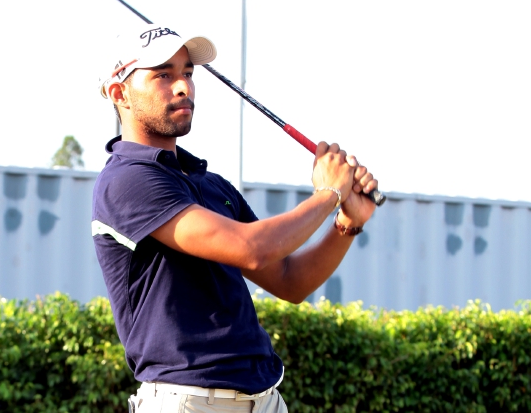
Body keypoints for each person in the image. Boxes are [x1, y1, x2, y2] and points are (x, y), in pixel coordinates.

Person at [91, 24, 378, 413]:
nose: (183, 87)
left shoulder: (212, 185)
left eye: (188, 74)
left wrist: (347, 223)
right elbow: (251, 249)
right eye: (163, 74)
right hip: (187, 402)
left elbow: (290, 280)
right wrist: (329, 194)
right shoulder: (125, 180)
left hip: (265, 400)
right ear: (119, 92)